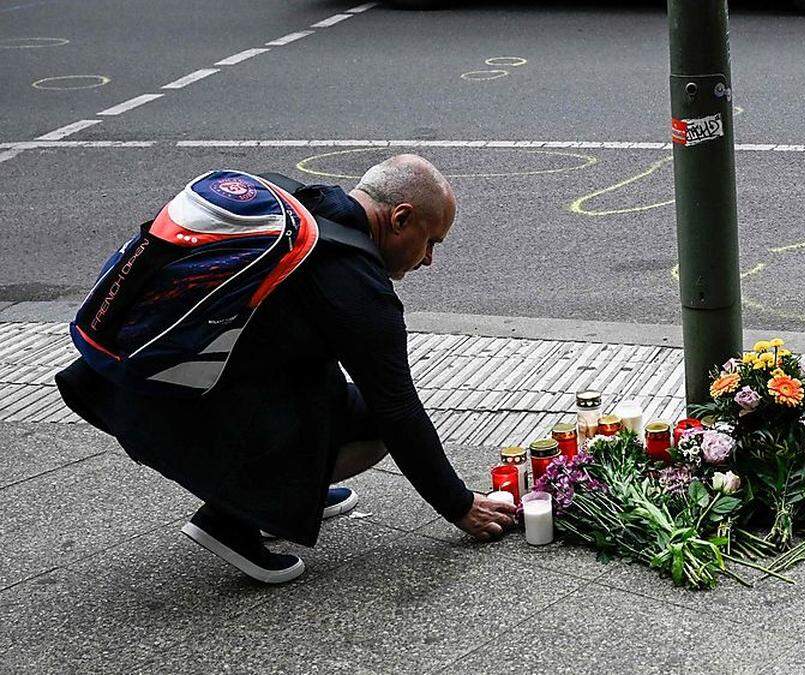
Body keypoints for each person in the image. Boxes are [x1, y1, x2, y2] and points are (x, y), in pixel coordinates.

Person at [55, 154, 517, 584]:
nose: (429, 260)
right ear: (400, 219)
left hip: (123, 382)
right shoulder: (354, 284)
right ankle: (232, 520)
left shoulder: (309, 204)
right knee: (380, 424)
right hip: (170, 409)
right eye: (430, 242)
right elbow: (398, 409)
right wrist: (459, 506)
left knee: (331, 391)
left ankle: (289, 492)